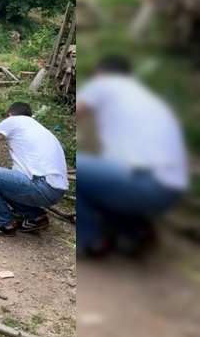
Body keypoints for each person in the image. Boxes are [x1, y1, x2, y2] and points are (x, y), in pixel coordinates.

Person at [76, 55, 187, 256]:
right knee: (100, 177)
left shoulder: (105, 83)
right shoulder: (146, 96)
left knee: (81, 168)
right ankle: (136, 230)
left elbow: (78, 110)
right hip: (171, 188)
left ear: (101, 72)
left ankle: (93, 240)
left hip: (146, 183)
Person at [0, 102, 69, 236]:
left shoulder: (13, 121)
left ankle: (3, 224)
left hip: (40, 186)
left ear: (10, 114)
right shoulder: (39, 128)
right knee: (6, 179)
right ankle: (34, 217)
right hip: (57, 191)